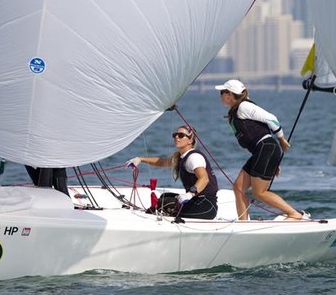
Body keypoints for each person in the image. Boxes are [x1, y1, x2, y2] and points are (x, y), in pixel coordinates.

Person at [216, 79, 307, 221]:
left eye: (222, 92)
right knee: (238, 188)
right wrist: (272, 162)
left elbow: (272, 119)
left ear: (229, 95)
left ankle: (294, 214)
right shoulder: (236, 110)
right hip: (261, 152)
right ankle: (243, 223)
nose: (220, 95)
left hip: (266, 148)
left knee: (260, 192)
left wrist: (281, 140)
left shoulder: (243, 107)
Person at [125, 125, 218, 219]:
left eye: (181, 135)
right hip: (196, 200)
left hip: (206, 205)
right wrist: (140, 159)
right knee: (164, 197)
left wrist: (190, 194)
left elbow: (204, 178)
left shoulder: (193, 158)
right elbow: (161, 162)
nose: (176, 137)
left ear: (190, 140)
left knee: (165, 204)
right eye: (175, 135)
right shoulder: (182, 157)